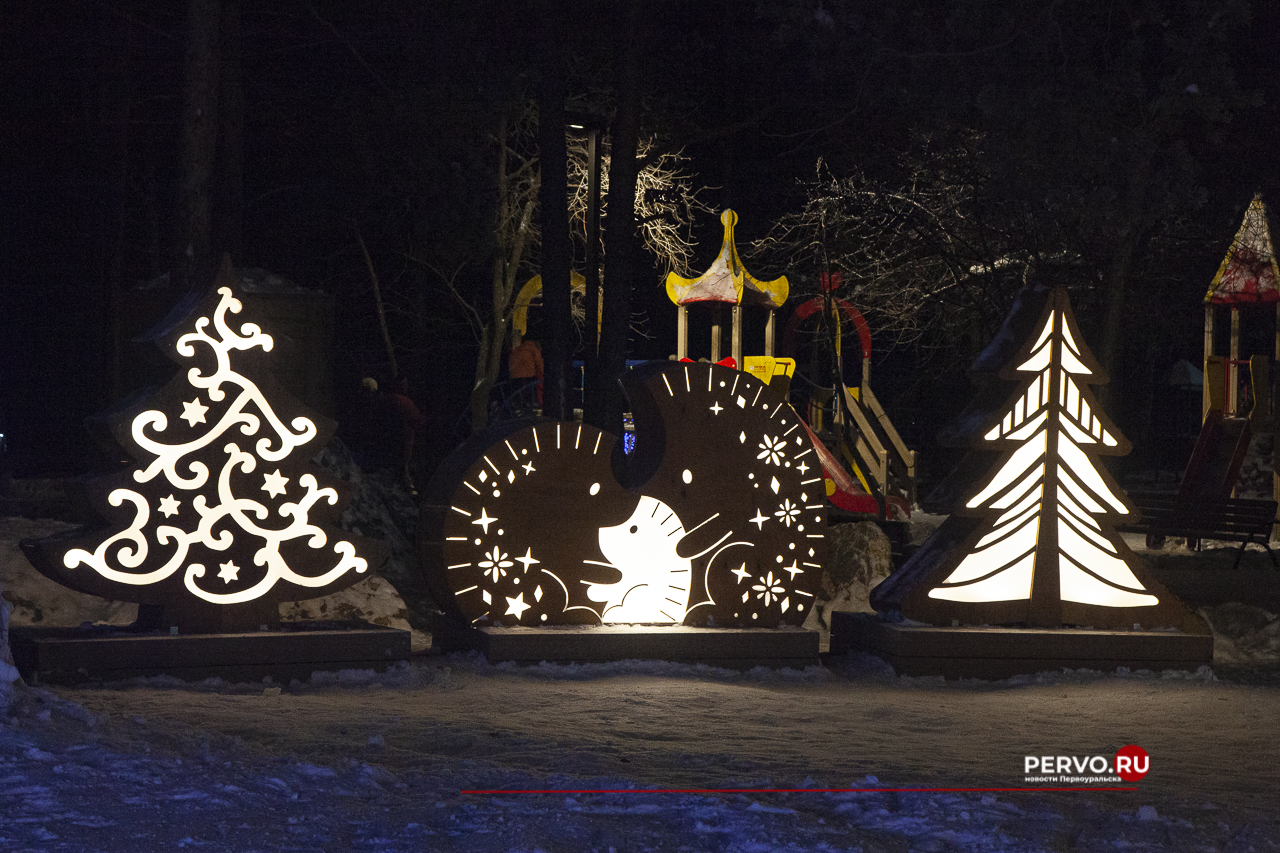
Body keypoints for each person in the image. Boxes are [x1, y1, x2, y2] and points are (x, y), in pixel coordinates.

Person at [382, 376, 425, 494]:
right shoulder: (405, 402)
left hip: (384, 438)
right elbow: (417, 421)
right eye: (404, 384)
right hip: (401, 440)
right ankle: (407, 480)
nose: (406, 387)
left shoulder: (385, 399)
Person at [508, 333, 544, 407]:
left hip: (514, 374)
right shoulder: (533, 348)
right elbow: (539, 362)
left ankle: (518, 403)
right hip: (527, 374)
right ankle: (530, 403)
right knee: (530, 387)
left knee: (519, 390)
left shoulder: (518, 349)